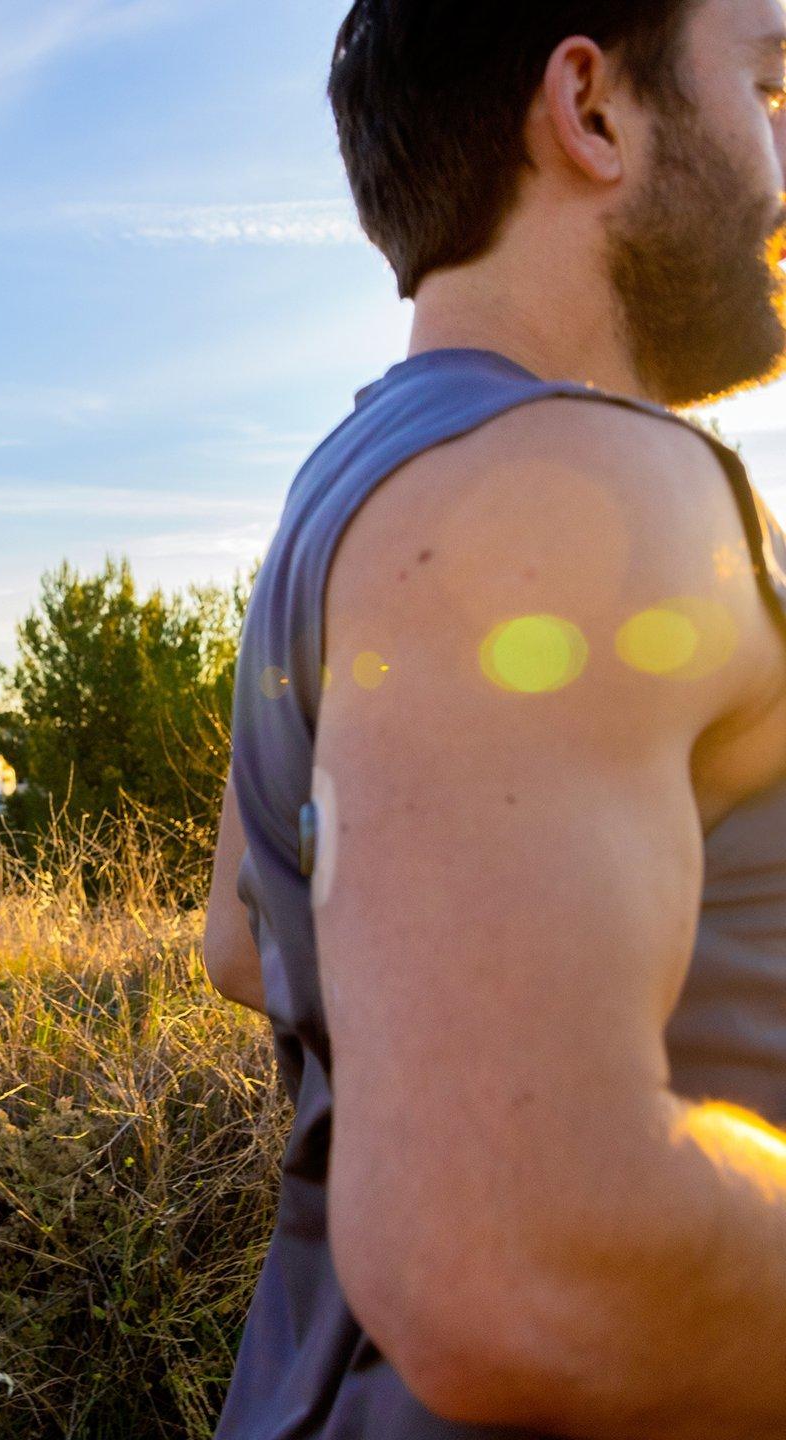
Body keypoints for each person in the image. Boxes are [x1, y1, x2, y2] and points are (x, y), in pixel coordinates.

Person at [205, 1, 786, 1435]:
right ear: (592, 107)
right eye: (770, 81)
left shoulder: (348, 493)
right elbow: (521, 1258)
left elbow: (238, 935)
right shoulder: (572, 490)